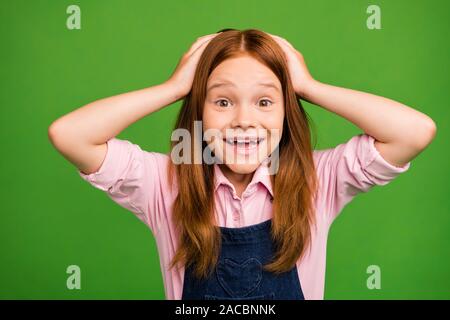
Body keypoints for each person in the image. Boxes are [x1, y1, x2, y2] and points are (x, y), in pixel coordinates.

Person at [48, 28, 436, 300]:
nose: (243, 120)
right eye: (222, 101)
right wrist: (174, 87)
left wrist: (308, 86)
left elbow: (415, 131)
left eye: (265, 102)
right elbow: (70, 134)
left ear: (287, 112)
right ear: (198, 111)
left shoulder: (318, 179)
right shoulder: (164, 183)